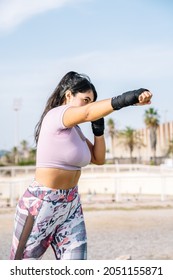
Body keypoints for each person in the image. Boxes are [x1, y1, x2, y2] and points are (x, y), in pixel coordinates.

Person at [10, 71, 152, 260]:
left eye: (92, 102)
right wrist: (129, 98)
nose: (90, 106)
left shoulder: (75, 131)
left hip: (71, 204)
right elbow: (86, 113)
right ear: (69, 95)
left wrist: (98, 130)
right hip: (41, 204)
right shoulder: (55, 115)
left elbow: (98, 159)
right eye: (86, 99)